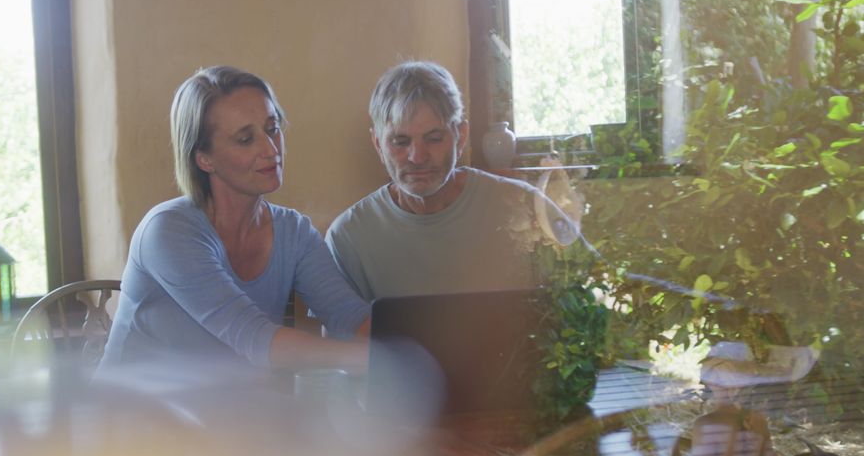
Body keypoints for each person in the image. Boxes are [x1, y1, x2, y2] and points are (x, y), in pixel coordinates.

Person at [102, 66, 370, 371]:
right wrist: (375, 360)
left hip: (224, 408)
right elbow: (255, 339)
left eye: (272, 128)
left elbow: (349, 316)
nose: (271, 150)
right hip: (132, 413)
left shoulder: (293, 232)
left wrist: (417, 347)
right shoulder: (167, 231)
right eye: (245, 139)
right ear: (204, 158)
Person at [326, 60, 579, 301]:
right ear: (378, 144)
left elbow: (576, 308)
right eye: (400, 142)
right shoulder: (348, 237)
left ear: (461, 136)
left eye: (434, 138)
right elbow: (339, 343)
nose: (417, 157)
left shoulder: (524, 205)